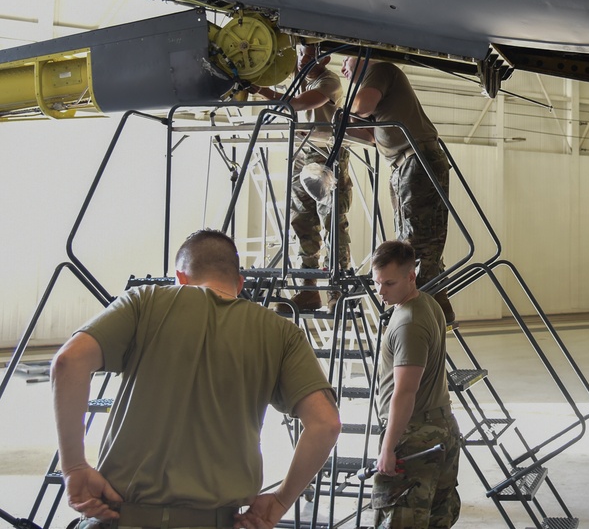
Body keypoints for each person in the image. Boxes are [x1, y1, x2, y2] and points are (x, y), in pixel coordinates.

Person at [51, 229, 342, 528]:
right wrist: (280, 501)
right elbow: (326, 424)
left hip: (125, 517)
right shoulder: (281, 332)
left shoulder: (144, 302)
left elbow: (67, 362)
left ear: (180, 277)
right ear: (239, 284)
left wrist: (74, 466)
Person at [342, 57, 455, 323]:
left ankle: (420, 315)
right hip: (407, 163)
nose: (343, 69)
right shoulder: (382, 86)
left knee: (415, 244)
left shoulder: (379, 70)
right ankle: (437, 307)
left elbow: (362, 106)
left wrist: (341, 110)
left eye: (346, 61)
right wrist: (341, 124)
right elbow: (372, 135)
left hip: (415, 161)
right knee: (417, 242)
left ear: (360, 56)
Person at [250, 43, 353, 311]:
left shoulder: (328, 81)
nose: (303, 58)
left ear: (325, 57)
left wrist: (262, 91)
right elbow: (288, 99)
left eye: (311, 54)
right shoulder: (299, 81)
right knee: (301, 219)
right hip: (302, 151)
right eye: (300, 52)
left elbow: (296, 105)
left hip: (326, 153)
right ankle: (308, 288)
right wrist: (257, 88)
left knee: (331, 218)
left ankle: (337, 290)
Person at [370, 240, 461, 528]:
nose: (381, 292)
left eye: (389, 283)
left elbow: (405, 392)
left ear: (411, 276)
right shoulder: (428, 303)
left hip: (415, 436)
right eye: (377, 283)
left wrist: (388, 447)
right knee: (437, 518)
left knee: (400, 519)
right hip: (441, 425)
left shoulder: (409, 322)